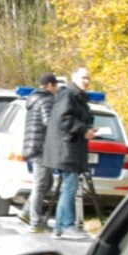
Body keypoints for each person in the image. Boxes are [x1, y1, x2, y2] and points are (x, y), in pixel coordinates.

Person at [41, 67, 96, 240]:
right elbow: (64, 119)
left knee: (69, 186)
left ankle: (59, 227)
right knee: (70, 187)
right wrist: (83, 130)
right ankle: (66, 225)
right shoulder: (68, 95)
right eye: (83, 78)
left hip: (70, 149)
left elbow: (80, 117)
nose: (86, 81)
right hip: (66, 149)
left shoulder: (78, 96)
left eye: (88, 78)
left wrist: (89, 127)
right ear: (74, 78)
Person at [17, 73, 59, 233]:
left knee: (46, 183)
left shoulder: (34, 99)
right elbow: (48, 122)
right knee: (40, 185)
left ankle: (26, 213)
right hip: (41, 146)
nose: (56, 90)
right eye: (55, 86)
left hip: (33, 144)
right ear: (49, 85)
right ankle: (35, 222)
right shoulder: (46, 100)